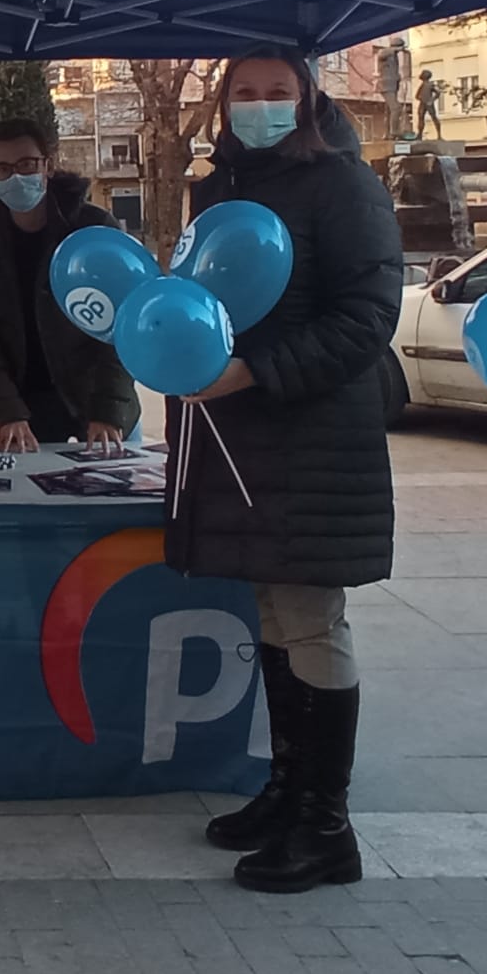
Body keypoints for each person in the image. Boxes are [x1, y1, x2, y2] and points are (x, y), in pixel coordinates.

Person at [165, 44, 402, 896]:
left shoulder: (342, 184)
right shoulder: (219, 187)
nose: (258, 106)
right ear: (223, 102)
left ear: (306, 99)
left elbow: (368, 317)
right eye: (244, 93)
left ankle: (326, 827)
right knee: (270, 612)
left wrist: (256, 372)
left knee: (310, 619)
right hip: (240, 444)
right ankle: (286, 791)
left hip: (311, 443)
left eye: (276, 92)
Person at [0, 118, 141, 451]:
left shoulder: (94, 229)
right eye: (3, 168)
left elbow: (123, 324)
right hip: (24, 406)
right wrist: (7, 412)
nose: (16, 176)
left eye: (27, 164)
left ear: (47, 166)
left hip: (97, 399)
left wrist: (108, 412)